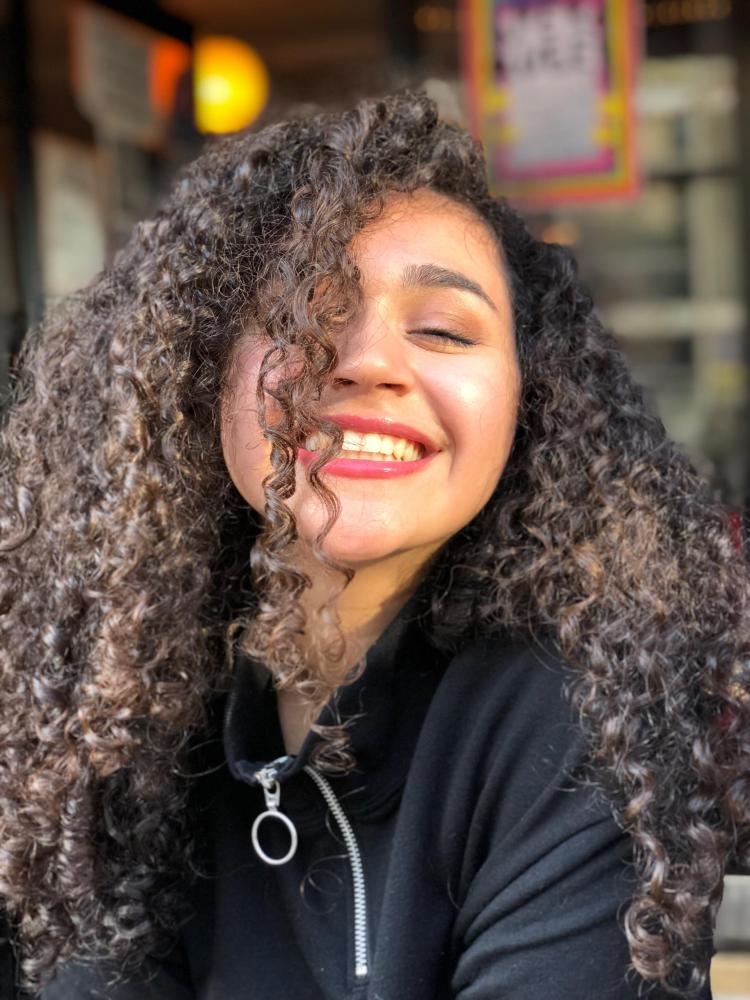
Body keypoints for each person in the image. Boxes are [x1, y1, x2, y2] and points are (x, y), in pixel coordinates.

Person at [0, 92, 747, 999]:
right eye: (305, 313)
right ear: (196, 374)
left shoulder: (591, 718)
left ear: (530, 403)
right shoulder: (110, 700)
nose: (368, 362)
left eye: (442, 330)